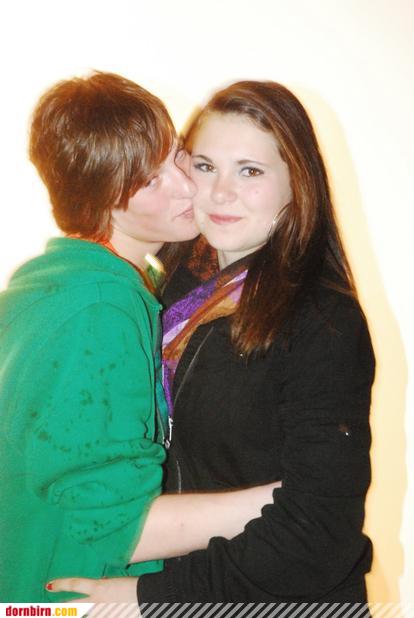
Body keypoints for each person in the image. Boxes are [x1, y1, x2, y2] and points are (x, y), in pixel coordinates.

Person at [49, 80, 375, 603]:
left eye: (250, 171)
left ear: (298, 182)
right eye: (204, 166)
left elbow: (320, 532)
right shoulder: (166, 291)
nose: (221, 193)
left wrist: (149, 598)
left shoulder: (322, 321)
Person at [0, 73, 277, 602]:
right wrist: (288, 499)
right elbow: (116, 526)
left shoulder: (60, 283)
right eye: (150, 181)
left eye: (176, 155)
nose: (186, 185)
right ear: (101, 198)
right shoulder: (99, 308)